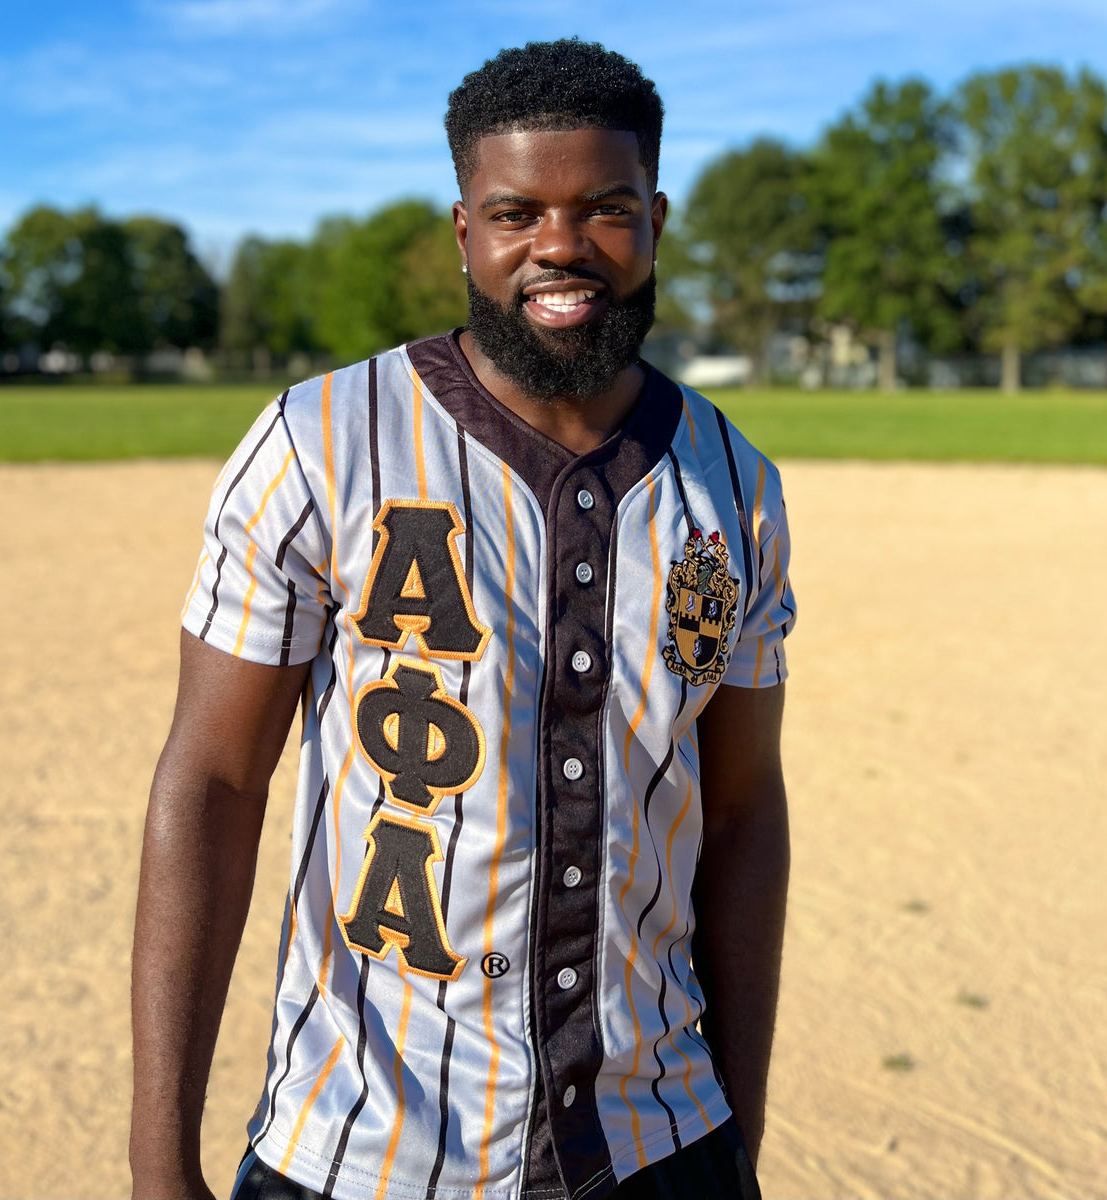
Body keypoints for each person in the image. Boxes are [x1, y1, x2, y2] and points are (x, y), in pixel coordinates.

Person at [129, 38, 794, 1200]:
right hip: (364, 1146)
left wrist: (735, 1127)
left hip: (660, 1143)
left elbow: (742, 810)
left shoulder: (733, 485)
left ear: (657, 220)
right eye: (515, 212)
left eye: (605, 209)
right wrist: (157, 1168)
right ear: (464, 231)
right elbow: (213, 785)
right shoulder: (318, 442)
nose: (560, 245)